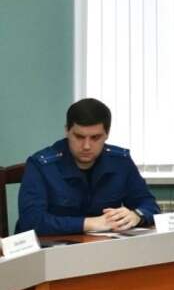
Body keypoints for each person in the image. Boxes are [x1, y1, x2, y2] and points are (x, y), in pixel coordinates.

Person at [16, 98, 160, 236]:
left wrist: (136, 215)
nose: (86, 146)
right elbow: (31, 221)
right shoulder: (40, 165)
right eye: (79, 137)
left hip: (104, 247)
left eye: (95, 138)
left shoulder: (121, 162)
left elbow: (149, 205)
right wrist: (89, 224)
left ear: (107, 134)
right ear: (67, 131)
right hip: (51, 248)